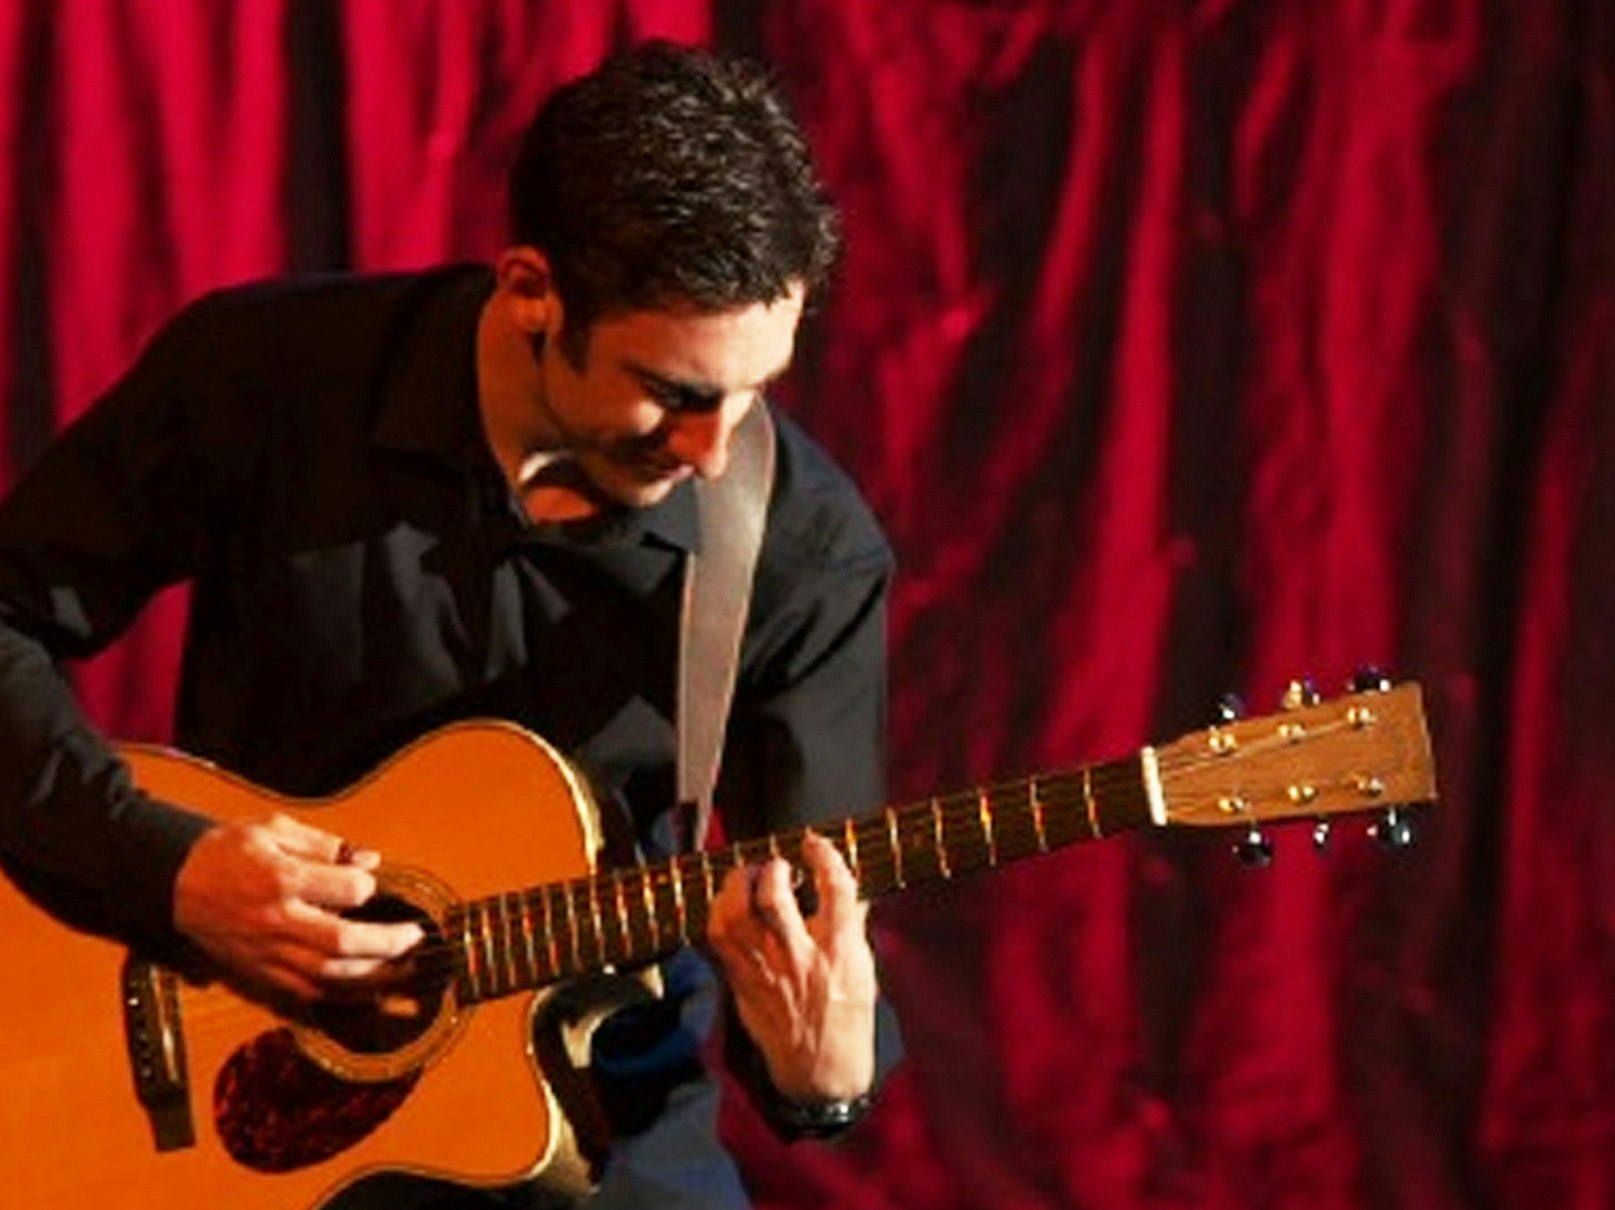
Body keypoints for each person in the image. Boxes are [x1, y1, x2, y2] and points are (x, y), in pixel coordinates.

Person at [0, 40, 897, 1209]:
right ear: (531, 292)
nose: (714, 450)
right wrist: (167, 870)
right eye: (673, 393)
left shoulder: (802, 550)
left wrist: (824, 1072)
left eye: (754, 390)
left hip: (594, 1121)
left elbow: (813, 940)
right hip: (221, 1079)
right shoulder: (267, 378)